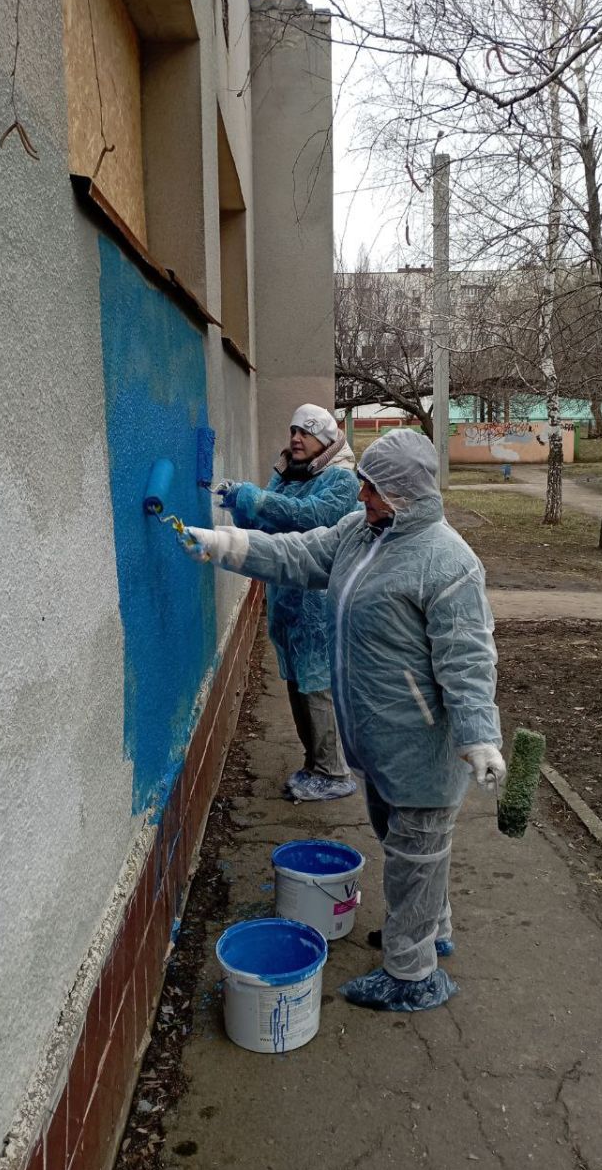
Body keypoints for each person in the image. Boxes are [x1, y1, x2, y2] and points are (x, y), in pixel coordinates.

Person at [177, 428, 506, 1013]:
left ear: (406, 492)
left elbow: (469, 656)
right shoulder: (362, 533)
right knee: (406, 846)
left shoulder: (447, 561)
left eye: (374, 488)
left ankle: (413, 974)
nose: (362, 496)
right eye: (363, 484)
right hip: (377, 740)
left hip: (424, 746)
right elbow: (299, 554)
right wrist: (224, 544)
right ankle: (432, 927)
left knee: (415, 853)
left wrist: (480, 737)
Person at [215, 403, 360, 803]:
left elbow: (310, 516)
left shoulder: (342, 480)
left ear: (326, 440)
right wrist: (240, 507)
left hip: (316, 602)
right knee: (296, 684)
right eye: (293, 430)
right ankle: (314, 764)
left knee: (316, 686)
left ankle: (333, 771)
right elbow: (267, 526)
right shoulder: (287, 475)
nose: (295, 438)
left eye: (306, 432)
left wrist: (257, 500)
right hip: (286, 601)